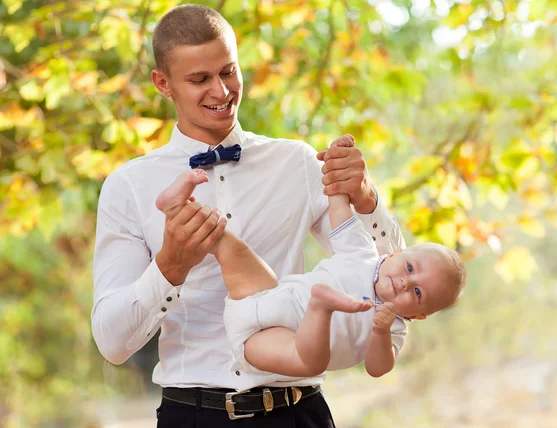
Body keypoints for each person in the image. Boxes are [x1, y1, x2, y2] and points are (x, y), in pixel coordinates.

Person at [92, 4, 404, 427]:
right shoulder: (129, 186)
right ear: (162, 83)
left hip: (299, 412)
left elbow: (395, 277)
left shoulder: (297, 163)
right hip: (193, 416)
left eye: (228, 72)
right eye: (200, 79)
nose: (221, 92)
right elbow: (112, 343)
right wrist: (169, 267)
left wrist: (365, 199)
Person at [155, 135, 465, 386]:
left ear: (420, 315)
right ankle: (176, 207)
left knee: (308, 362)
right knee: (227, 244)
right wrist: (335, 168)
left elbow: (377, 368)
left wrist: (380, 332)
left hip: (268, 340)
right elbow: (340, 211)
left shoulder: (393, 327)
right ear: (395, 252)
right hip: (264, 296)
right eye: (409, 269)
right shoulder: (363, 252)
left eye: (417, 293)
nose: (404, 282)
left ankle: (321, 307)